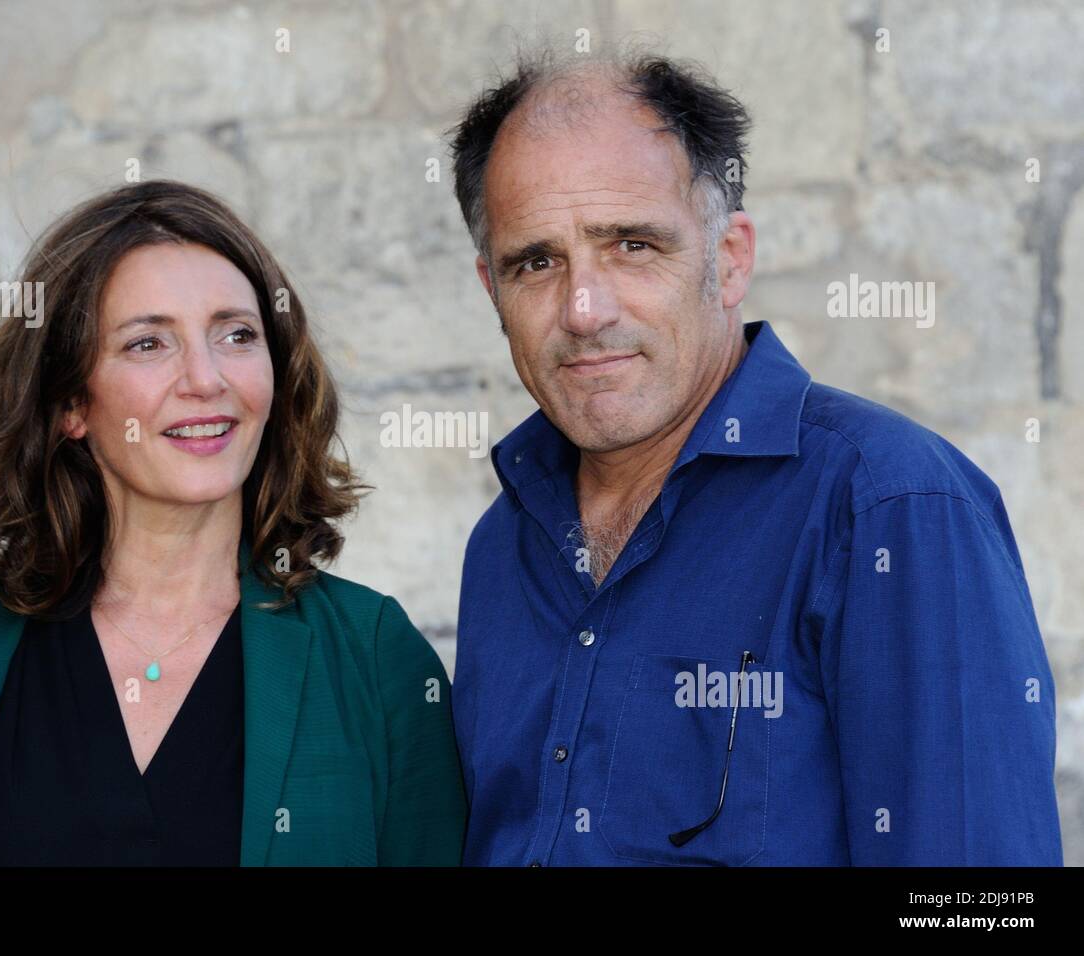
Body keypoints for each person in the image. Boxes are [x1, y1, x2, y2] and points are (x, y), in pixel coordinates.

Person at [446, 46, 1062, 865]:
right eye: (537, 262)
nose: (584, 309)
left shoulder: (889, 506)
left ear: (730, 258)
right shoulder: (503, 546)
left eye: (632, 245)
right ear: (493, 290)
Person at [0, 180, 466, 866]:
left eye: (237, 335)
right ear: (71, 403)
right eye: (148, 344)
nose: (206, 377)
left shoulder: (375, 658)